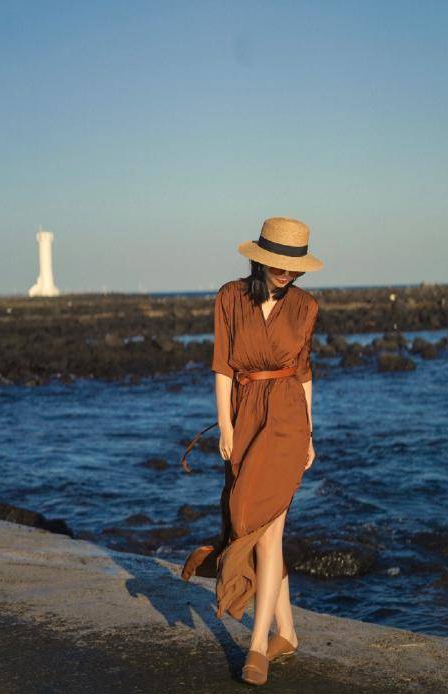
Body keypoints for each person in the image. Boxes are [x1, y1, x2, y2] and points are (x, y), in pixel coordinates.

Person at [181, 216, 324, 686]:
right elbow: (223, 365)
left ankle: (258, 645)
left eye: (294, 266)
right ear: (260, 259)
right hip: (244, 415)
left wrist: (310, 435)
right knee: (247, 519)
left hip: (286, 418)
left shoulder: (305, 306)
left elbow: (303, 373)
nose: (287, 273)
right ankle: (288, 631)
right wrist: (224, 424)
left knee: (268, 529)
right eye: (280, 264)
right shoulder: (230, 298)